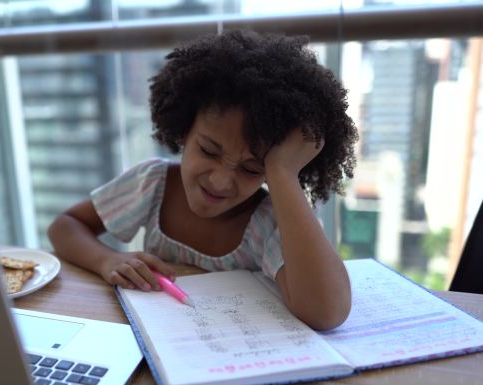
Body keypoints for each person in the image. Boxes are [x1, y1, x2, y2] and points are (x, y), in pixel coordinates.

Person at [48, 30, 358, 330]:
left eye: (252, 169)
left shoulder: (268, 222)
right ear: (183, 130)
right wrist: (106, 260)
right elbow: (65, 226)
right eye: (209, 151)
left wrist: (283, 174)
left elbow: (327, 312)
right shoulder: (153, 183)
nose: (221, 182)